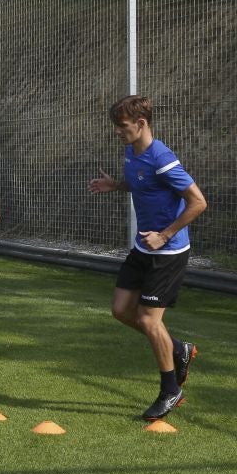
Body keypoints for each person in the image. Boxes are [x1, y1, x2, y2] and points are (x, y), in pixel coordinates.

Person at [89, 95, 207, 421]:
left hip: (167, 252)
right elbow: (141, 183)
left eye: (122, 127)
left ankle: (171, 390)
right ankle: (179, 348)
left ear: (141, 124)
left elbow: (198, 202)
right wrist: (116, 185)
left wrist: (165, 235)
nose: (117, 132)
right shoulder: (131, 152)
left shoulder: (163, 158)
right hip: (143, 247)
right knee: (120, 310)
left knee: (147, 320)